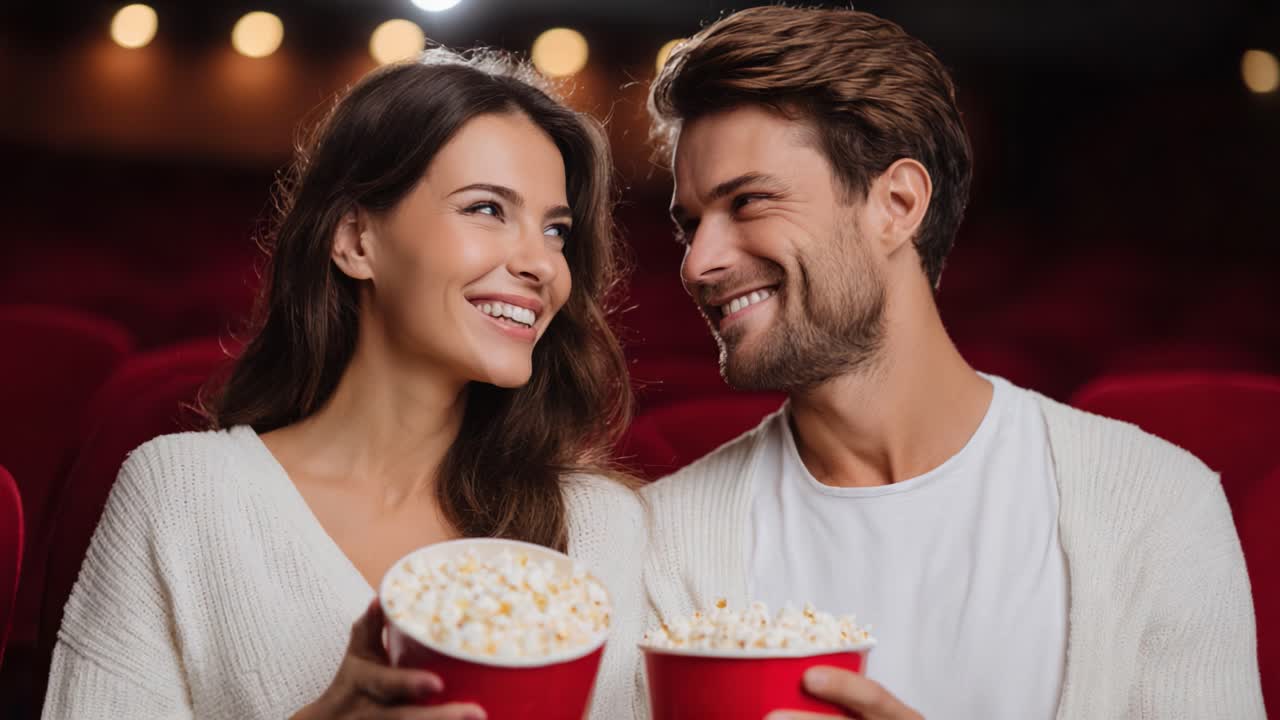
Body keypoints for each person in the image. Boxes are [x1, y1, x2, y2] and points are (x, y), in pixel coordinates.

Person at [640, 6, 1265, 719]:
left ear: (897, 204)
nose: (697, 263)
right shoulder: (663, 542)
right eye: (689, 225)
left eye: (747, 201)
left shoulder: (1156, 507)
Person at [42, 48, 646, 720]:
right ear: (356, 240)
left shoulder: (603, 525)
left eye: (556, 230)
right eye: (486, 209)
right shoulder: (182, 495)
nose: (541, 264)